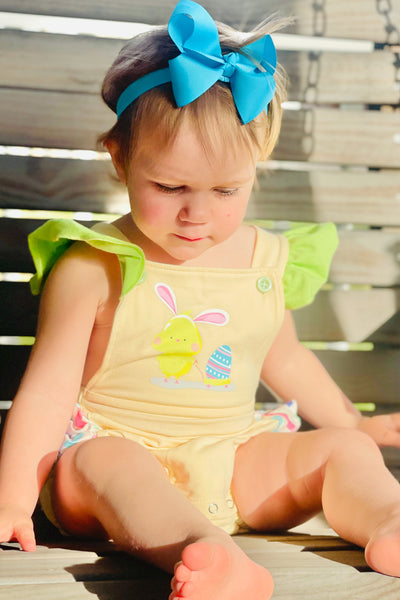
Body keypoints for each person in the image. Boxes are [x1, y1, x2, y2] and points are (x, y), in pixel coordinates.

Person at [1, 1, 400, 598]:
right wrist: (12, 496)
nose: (198, 214)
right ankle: (208, 555)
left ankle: (389, 519)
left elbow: (285, 358)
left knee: (344, 452)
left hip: (234, 461)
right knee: (105, 463)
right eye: (170, 186)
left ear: (254, 170)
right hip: (114, 462)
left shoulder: (264, 261)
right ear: (120, 159)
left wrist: (353, 424)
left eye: (226, 191)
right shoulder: (94, 264)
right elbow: (48, 391)